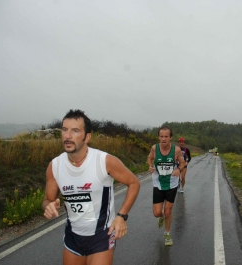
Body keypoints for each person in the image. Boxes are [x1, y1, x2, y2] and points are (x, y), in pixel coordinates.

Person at [42, 109, 140, 265]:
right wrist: (48, 207)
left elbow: (134, 182)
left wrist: (122, 216)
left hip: (102, 236)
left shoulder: (104, 161)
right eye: (65, 130)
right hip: (73, 237)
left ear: (87, 137)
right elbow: (48, 199)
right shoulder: (54, 166)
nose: (68, 136)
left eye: (75, 131)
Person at [147, 125, 185, 246]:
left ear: (171, 138)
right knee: (157, 213)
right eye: (161, 136)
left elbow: (183, 162)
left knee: (168, 211)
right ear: (159, 137)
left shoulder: (176, 150)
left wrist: (178, 169)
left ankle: (167, 234)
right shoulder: (154, 148)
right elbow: (149, 158)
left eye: (166, 136)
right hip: (158, 183)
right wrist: (150, 165)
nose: (163, 139)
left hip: (172, 183)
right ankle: (161, 217)